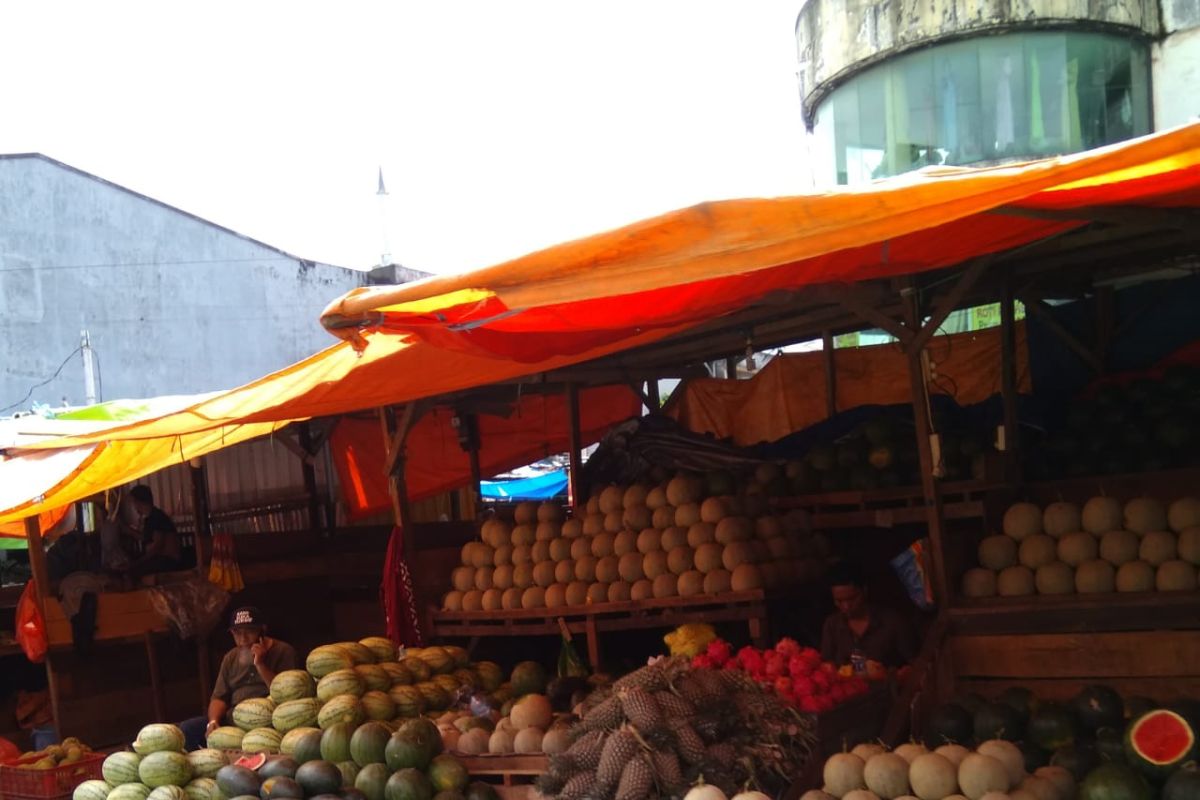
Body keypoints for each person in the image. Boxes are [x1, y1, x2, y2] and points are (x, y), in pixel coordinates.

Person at [180, 606, 299, 750]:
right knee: (188, 729)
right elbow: (219, 698)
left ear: (262, 630)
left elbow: (286, 696)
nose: (243, 639)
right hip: (233, 722)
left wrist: (260, 664)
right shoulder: (231, 657)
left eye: (249, 631)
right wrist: (213, 721)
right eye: (237, 633)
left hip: (267, 721)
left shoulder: (284, 651)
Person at [819, 561, 916, 669]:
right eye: (839, 601)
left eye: (851, 599)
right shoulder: (832, 625)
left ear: (864, 591)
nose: (846, 606)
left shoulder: (892, 622)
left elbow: (915, 664)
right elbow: (827, 666)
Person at [123, 485, 183, 579]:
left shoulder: (157, 517)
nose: (134, 506)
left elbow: (157, 546)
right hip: (159, 557)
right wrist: (128, 531)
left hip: (168, 560)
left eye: (133, 502)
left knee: (132, 571)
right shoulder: (150, 518)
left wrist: (138, 562)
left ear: (139, 502)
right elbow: (145, 537)